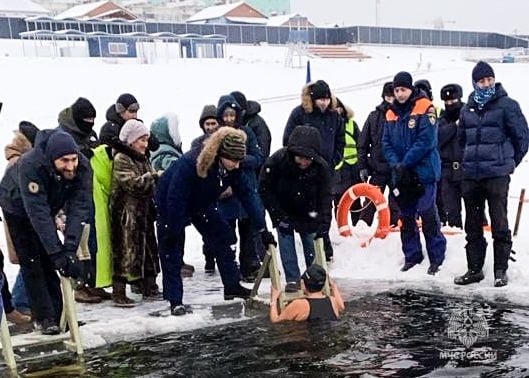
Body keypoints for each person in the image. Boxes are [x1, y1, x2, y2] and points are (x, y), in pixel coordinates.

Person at [155, 126, 275, 316]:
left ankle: (232, 286)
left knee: (223, 236)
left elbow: (248, 196)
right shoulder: (191, 163)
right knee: (172, 248)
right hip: (170, 203)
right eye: (233, 161)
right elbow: (175, 197)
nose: (237, 165)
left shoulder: (233, 168)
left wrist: (263, 230)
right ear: (220, 154)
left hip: (202, 203)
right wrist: (173, 228)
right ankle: (175, 300)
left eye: (239, 161)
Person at [0, 130, 90, 334]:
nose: (70, 166)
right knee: (32, 260)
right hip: (16, 205)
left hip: (46, 204)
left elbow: (79, 207)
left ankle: (61, 316)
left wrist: (69, 249)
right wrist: (56, 252)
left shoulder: (82, 166)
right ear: (52, 159)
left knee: (52, 263)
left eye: (73, 159)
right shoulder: (31, 165)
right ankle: (44, 318)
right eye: (64, 161)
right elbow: (37, 213)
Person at [454, 61, 529, 287]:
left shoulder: (508, 105)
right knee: (473, 225)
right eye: (482, 80)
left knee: (499, 222)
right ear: (475, 83)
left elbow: (522, 138)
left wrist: (509, 163)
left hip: (496, 175)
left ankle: (500, 270)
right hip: (472, 176)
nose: (486, 83)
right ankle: (474, 269)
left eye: (489, 79)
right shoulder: (467, 109)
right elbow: (461, 140)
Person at [382, 71, 446, 275]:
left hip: (423, 171)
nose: (400, 94)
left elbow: (425, 141)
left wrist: (405, 162)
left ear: (411, 89)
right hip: (401, 175)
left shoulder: (425, 108)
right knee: (406, 216)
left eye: (404, 89)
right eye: (397, 90)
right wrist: (396, 164)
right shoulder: (391, 113)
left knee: (427, 212)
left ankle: (436, 255)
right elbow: (386, 143)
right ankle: (412, 255)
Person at [260, 126, 332, 292]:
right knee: (286, 242)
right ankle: (292, 280)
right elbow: (265, 189)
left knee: (311, 243)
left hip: (309, 211)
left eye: (308, 159)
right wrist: (277, 216)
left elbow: (325, 197)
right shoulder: (277, 161)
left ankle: (314, 279)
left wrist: (324, 223)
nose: (304, 162)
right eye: (301, 158)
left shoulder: (321, 168)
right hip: (283, 208)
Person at [283, 80, 345, 261]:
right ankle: (312, 248)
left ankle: (325, 246)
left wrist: (334, 160)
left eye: (327, 99)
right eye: (320, 99)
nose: (324, 103)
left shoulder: (334, 116)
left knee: (325, 209)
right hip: (304, 170)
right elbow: (288, 140)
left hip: (326, 170)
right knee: (309, 209)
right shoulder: (299, 114)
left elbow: (340, 141)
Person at [58, 97, 110, 304]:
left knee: (92, 242)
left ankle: (91, 282)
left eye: (93, 119)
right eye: (87, 119)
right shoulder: (63, 136)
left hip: (89, 195)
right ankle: (79, 285)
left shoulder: (88, 134)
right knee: (79, 241)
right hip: (71, 197)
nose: (91, 123)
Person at [110, 119, 160, 306]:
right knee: (125, 252)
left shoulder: (143, 157)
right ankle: (119, 291)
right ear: (131, 140)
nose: (145, 144)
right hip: (126, 214)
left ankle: (149, 285)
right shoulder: (122, 158)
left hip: (144, 211)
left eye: (146, 140)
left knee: (148, 249)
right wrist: (155, 177)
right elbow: (132, 183)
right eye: (141, 140)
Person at [215, 95, 264, 282]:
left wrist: (239, 161)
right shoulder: (217, 136)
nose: (229, 119)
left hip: (245, 189)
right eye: (225, 115)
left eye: (232, 115)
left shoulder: (247, 133)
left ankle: (248, 268)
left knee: (248, 234)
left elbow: (258, 157)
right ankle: (229, 270)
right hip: (225, 192)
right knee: (227, 235)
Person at [2, 120, 39, 320]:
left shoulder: (17, 161)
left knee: (30, 258)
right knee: (29, 258)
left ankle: (22, 302)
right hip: (20, 219)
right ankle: (21, 302)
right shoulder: (17, 164)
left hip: (21, 217)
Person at [357, 82, 400, 226]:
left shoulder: (403, 115)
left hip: (397, 170)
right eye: (388, 97)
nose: (390, 100)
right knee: (369, 205)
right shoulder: (373, 116)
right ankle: (362, 230)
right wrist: (362, 166)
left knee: (397, 206)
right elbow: (362, 144)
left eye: (392, 96)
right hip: (377, 169)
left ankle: (395, 233)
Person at [270, 264, 344, 322]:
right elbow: (341, 307)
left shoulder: (299, 305)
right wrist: (334, 286)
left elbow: (276, 320)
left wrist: (273, 300)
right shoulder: (332, 301)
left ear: (303, 284)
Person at [438, 83, 465, 229]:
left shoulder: (469, 116)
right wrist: (454, 126)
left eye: (453, 101)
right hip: (447, 171)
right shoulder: (441, 119)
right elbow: (437, 139)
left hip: (467, 169)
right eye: (447, 102)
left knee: (475, 210)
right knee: (452, 213)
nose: (450, 104)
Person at [333, 97, 362, 226]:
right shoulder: (329, 126)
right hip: (337, 170)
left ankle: (358, 227)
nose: (338, 111)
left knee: (355, 201)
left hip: (352, 169)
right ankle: (341, 229)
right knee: (338, 203)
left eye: (339, 108)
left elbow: (361, 143)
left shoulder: (351, 124)